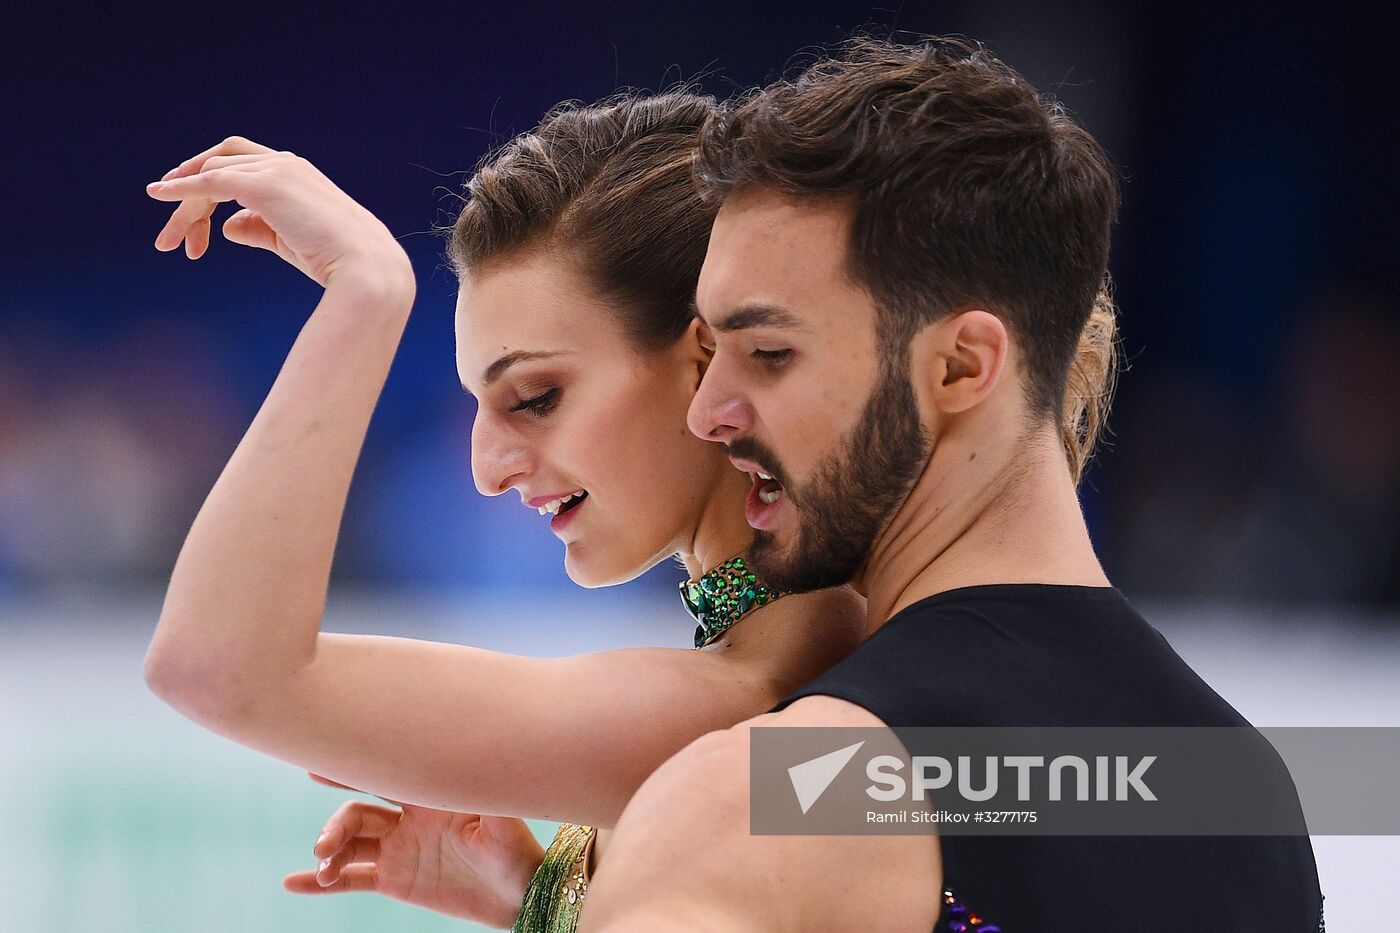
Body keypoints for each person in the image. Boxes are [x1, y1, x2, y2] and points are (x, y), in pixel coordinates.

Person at [571, 38, 1325, 933]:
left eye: (768, 352)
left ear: (963, 365)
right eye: (711, 352)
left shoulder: (772, 797)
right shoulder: (1245, 790)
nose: (707, 414)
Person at [140, 92, 869, 930]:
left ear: (708, 358)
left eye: (535, 397)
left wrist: (366, 293)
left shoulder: (745, 704)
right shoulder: (800, 679)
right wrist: (540, 898)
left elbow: (218, 666)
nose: (486, 471)